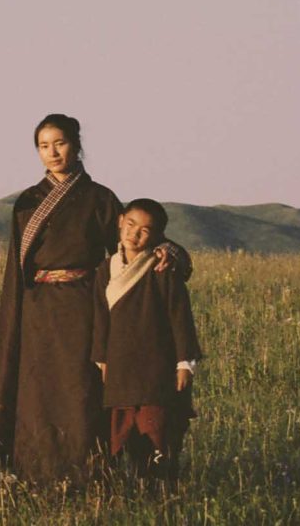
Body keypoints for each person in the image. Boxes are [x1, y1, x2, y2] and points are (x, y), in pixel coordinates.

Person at [0, 114, 189, 485]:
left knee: (80, 390)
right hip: (38, 309)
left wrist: (168, 251)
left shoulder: (100, 198)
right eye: (44, 146)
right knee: (37, 390)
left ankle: (85, 471)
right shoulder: (27, 202)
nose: (52, 152)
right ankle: (36, 471)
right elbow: (16, 265)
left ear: (76, 144)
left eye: (60, 143)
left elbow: (133, 241)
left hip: (84, 306)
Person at [93, 198, 201, 485]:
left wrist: (184, 362)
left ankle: (161, 480)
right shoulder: (106, 268)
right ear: (120, 222)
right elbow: (100, 316)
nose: (134, 234)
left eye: (145, 230)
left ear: (157, 236)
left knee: (157, 425)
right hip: (119, 362)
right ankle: (125, 481)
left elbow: (180, 316)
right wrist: (102, 358)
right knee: (121, 425)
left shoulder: (162, 267)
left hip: (157, 362)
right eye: (130, 225)